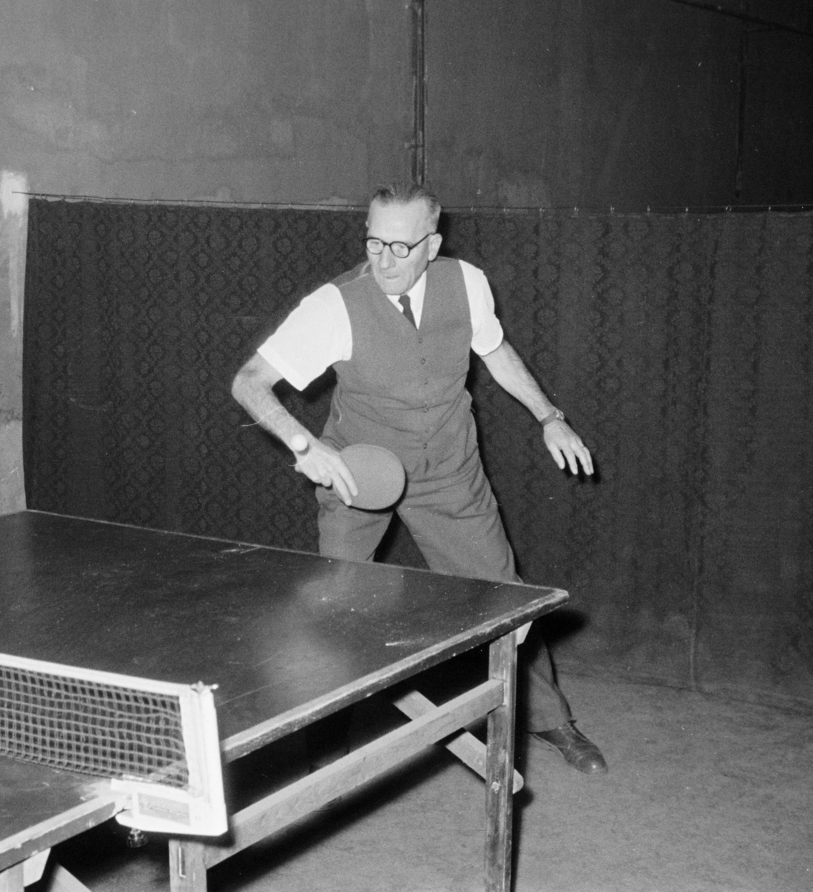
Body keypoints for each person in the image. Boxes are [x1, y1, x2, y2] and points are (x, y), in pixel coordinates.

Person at [230, 184, 607, 774]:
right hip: (360, 472)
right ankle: (324, 751)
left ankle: (552, 722)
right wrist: (304, 446)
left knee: (505, 602)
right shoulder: (335, 305)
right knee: (338, 611)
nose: (383, 260)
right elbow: (249, 381)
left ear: (432, 245)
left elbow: (497, 350)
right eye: (373, 242)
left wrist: (550, 417)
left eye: (400, 247)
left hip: (448, 470)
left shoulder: (468, 283)